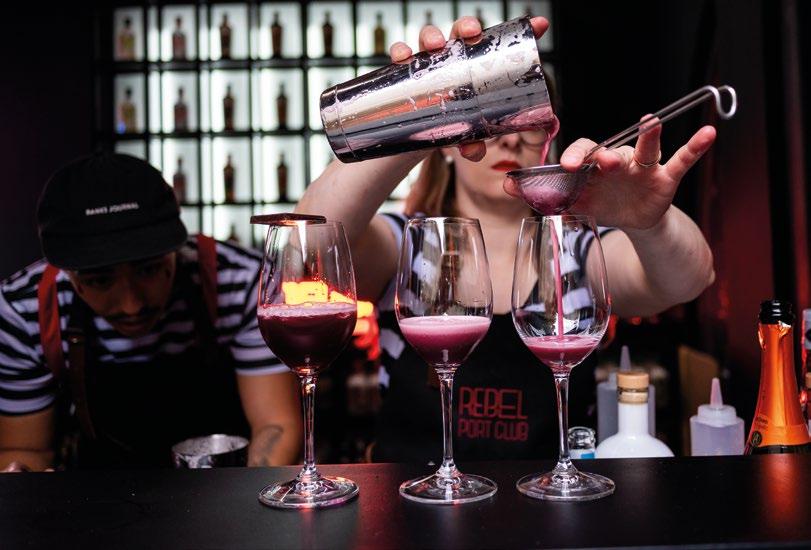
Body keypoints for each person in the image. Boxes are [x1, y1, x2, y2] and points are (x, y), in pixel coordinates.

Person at [297, 16, 716, 462]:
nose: (511, 139)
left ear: (548, 137)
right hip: (412, 495)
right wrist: (421, 105)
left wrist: (649, 223)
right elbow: (310, 244)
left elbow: (689, 279)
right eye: (491, 117)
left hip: (549, 497)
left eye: (527, 120)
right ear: (448, 144)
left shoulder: (575, 249)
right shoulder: (409, 244)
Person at [0, 153, 301, 471]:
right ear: (67, 272)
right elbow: (26, 450)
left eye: (149, 270)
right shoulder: (24, 312)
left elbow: (276, 426)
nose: (132, 305)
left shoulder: (243, 283)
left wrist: (247, 498)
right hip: (92, 490)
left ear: (175, 250)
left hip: (227, 481)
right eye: (100, 280)